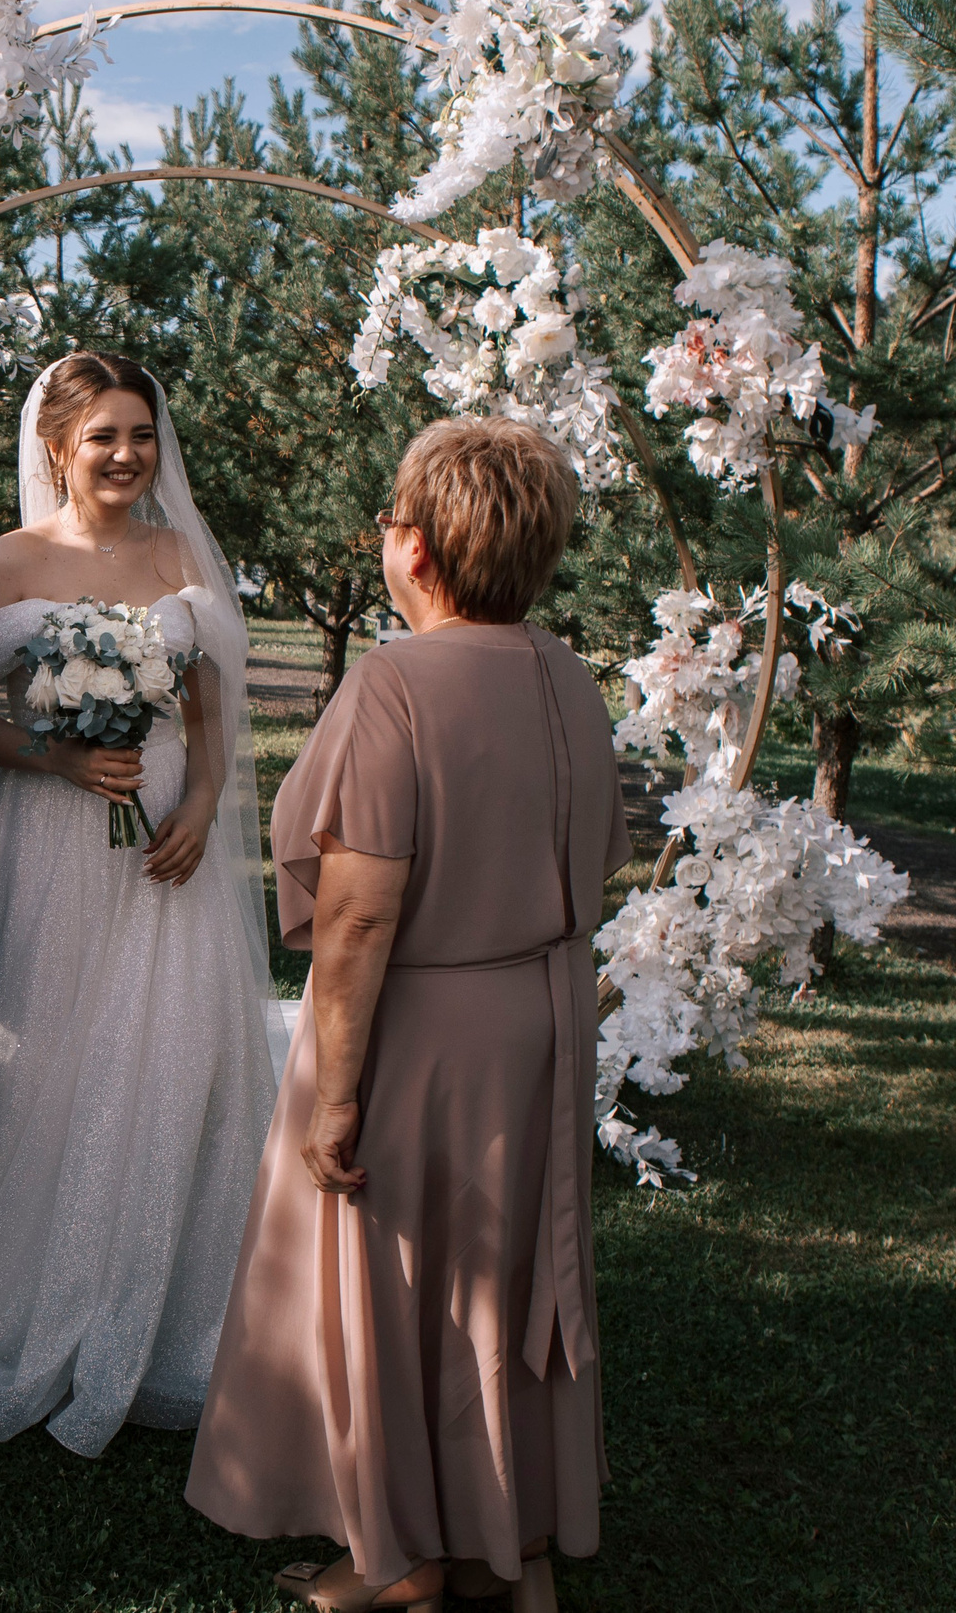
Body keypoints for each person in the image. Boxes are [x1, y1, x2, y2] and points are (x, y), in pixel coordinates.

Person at [186, 420, 631, 1613]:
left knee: (392, 1287)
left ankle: (402, 1560)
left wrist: (336, 1094)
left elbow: (359, 916)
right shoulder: (571, 674)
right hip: (539, 1027)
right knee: (502, 1282)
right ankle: (507, 1547)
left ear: (418, 551)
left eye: (389, 519)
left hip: (419, 1034)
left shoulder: (393, 679)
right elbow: (598, 868)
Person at [0, 352, 276, 1455]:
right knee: (46, 1053)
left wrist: (202, 803)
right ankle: (20, 1291)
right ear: (57, 447)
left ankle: (168, 1301)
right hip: (48, 834)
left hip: (161, 837)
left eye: (142, 433)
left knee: (168, 1050)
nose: (127, 455)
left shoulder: (181, 551)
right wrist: (51, 756)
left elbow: (209, 703)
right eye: (104, 436)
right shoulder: (10, 562)